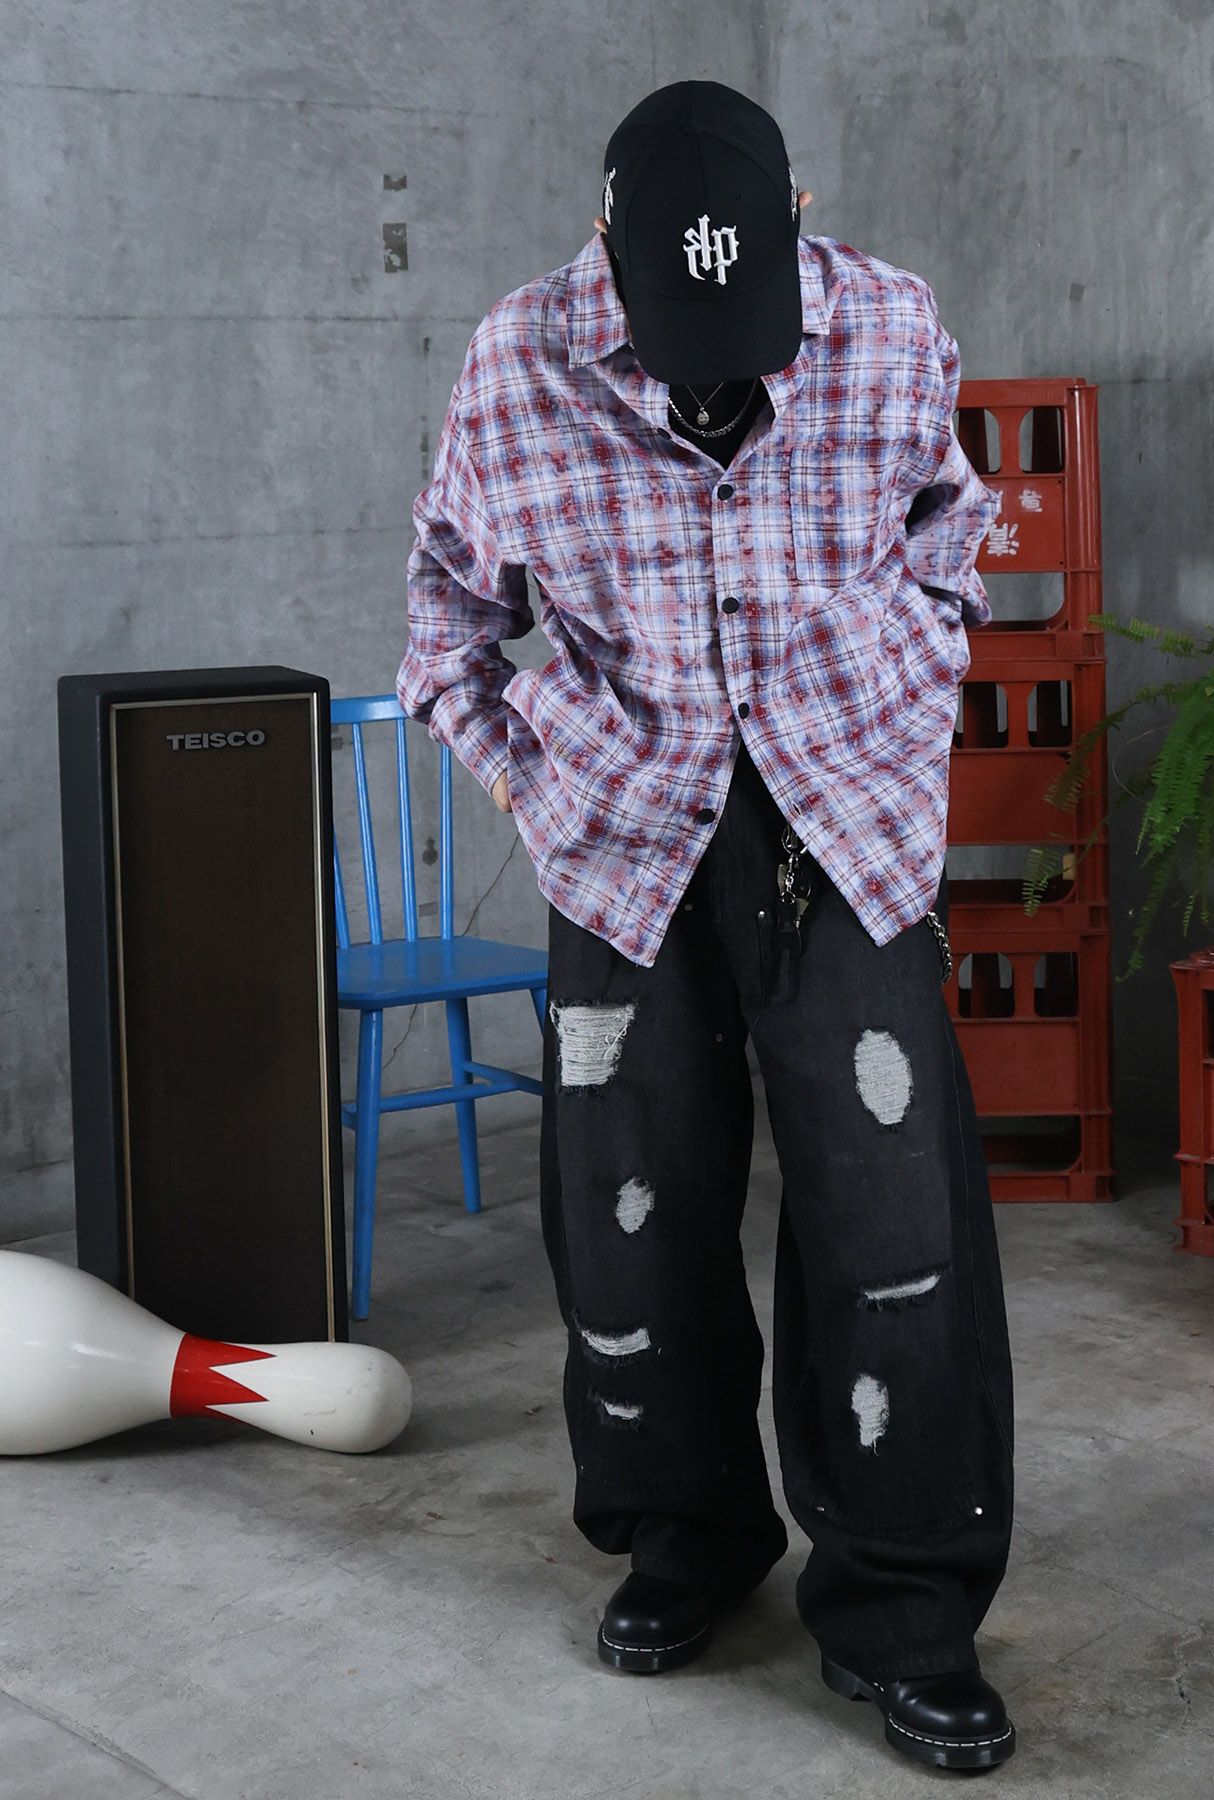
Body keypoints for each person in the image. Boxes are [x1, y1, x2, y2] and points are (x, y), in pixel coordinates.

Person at [397, 78, 1017, 1772]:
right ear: (606, 241)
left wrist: (909, 690)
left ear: (799, 219)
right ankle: (687, 1540)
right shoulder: (516, 366)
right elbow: (446, 622)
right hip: (626, 844)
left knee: (895, 1223)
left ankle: (906, 1606)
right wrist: (541, 787)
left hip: (846, 824)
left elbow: (955, 529)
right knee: (632, 1223)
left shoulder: (889, 327)